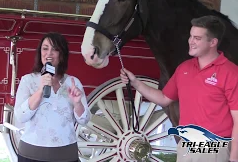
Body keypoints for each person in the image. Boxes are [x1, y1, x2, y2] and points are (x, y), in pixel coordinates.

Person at [120, 15, 238, 162]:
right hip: (186, 146)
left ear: (213, 42)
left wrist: (234, 157)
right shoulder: (184, 69)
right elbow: (163, 98)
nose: (191, 42)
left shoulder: (231, 73)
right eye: (191, 36)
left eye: (197, 38)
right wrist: (135, 83)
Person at [14, 32, 91, 162]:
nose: (49, 53)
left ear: (62, 55)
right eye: (45, 48)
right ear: (40, 53)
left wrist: (77, 103)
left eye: (55, 49)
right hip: (31, 155)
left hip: (66, 155)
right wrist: (40, 90)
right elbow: (21, 116)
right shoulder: (28, 80)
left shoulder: (73, 82)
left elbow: (84, 120)